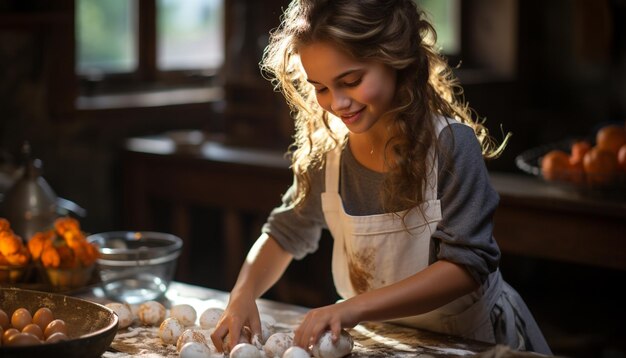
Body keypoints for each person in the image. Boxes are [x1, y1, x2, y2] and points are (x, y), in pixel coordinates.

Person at [211, 0, 552, 355]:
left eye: (351, 81)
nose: (337, 102)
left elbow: (465, 267)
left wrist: (352, 307)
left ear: (395, 59)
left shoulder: (450, 145)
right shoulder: (329, 157)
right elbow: (285, 232)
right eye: (321, 87)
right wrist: (242, 293)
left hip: (475, 340)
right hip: (389, 344)